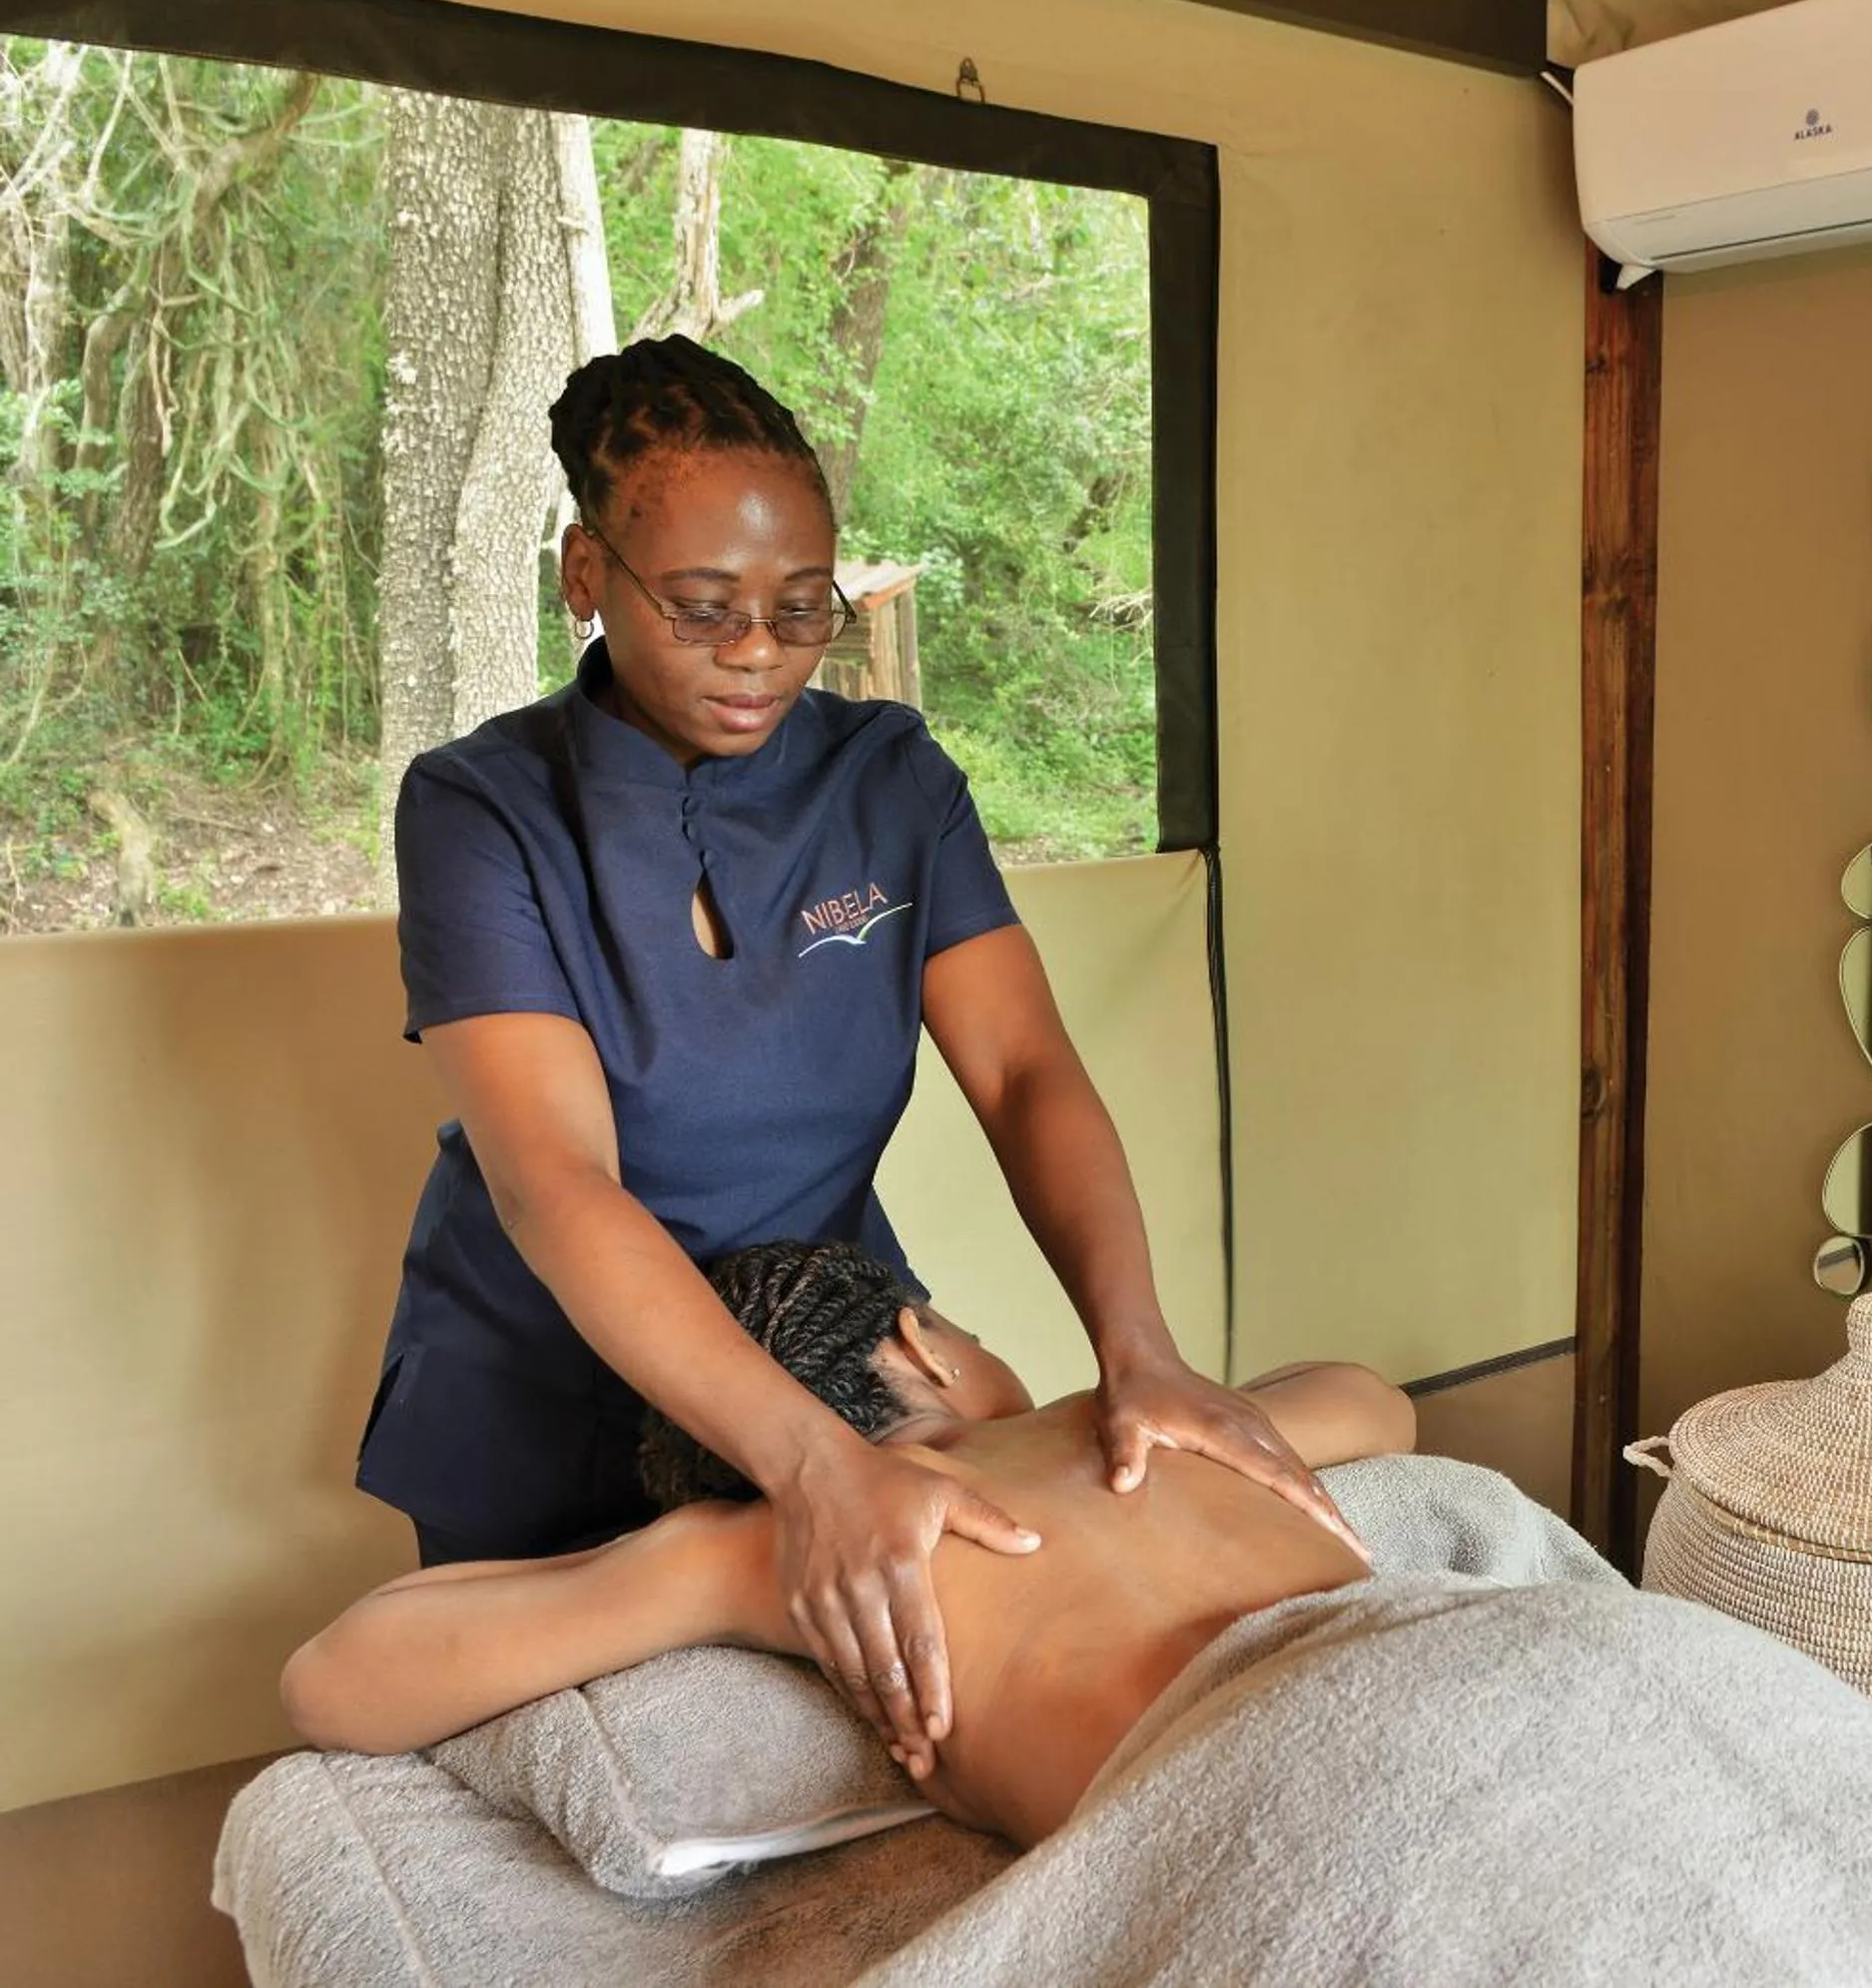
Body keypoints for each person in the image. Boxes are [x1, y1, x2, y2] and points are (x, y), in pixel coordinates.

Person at [357, 335, 1355, 1774]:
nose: (758, 652)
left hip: (833, 1359)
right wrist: (802, 1472)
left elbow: (1023, 1074)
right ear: (586, 574)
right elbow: (556, 1180)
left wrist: (1137, 1351)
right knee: (570, 1745)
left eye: (800, 607)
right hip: (552, 1381)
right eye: (704, 609)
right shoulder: (482, 810)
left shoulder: (886, 779)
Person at [293, 1241, 1416, 1850]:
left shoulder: (758, 1554)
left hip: (1260, 1810)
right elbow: (1376, 1406)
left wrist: (694, 1546)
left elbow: (333, 1681)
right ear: (923, 1346)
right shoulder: (1127, 1421)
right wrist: (1198, 1394)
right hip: (1412, 1685)